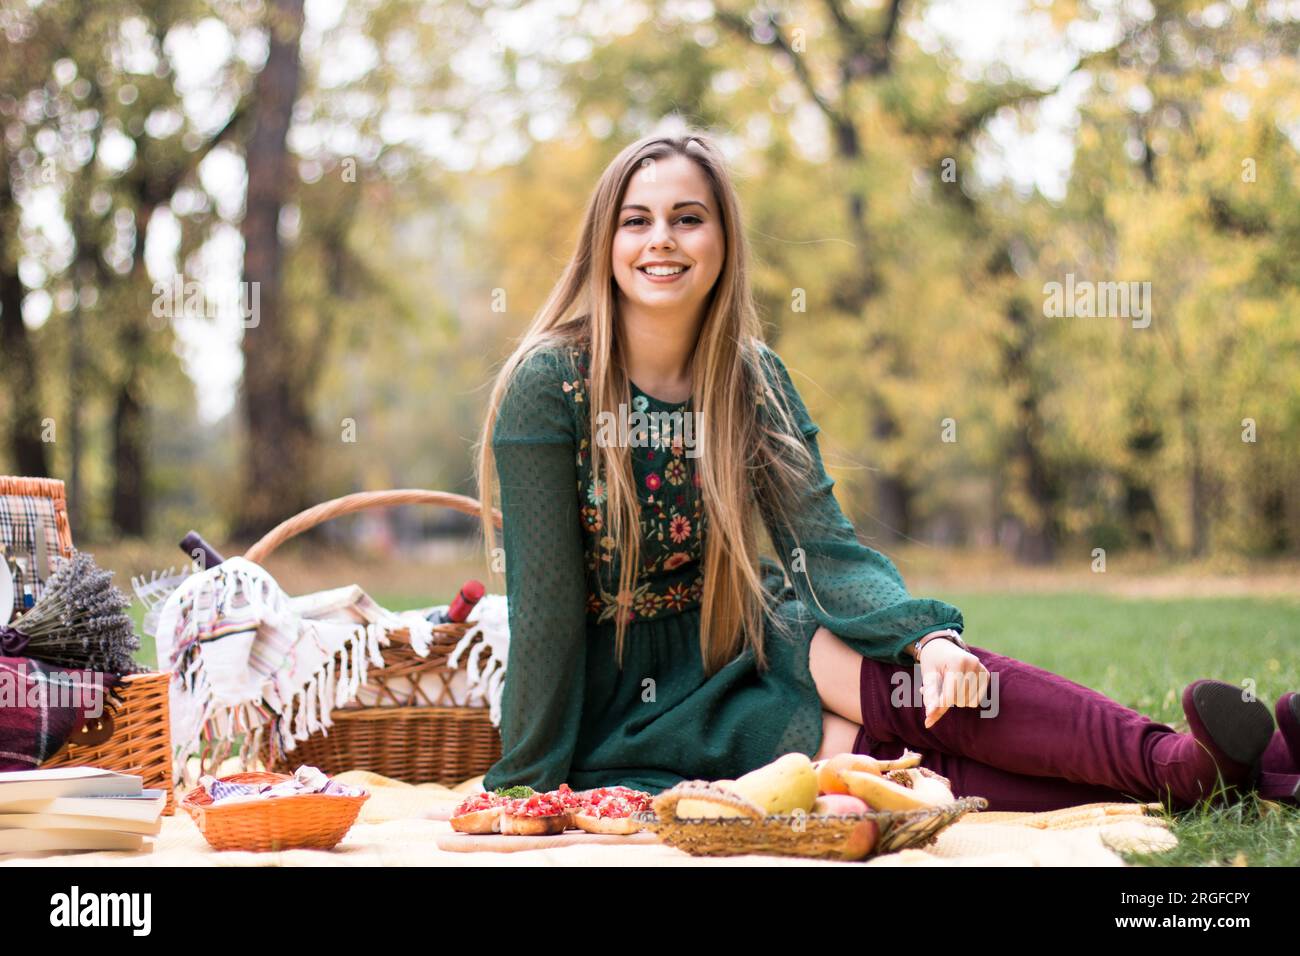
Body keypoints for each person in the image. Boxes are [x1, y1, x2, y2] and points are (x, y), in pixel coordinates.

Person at [473, 130, 1299, 812]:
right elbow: (546, 609)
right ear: (604, 242)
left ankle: (1187, 768)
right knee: (883, 772)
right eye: (636, 220)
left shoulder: (750, 376)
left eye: (687, 218)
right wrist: (524, 783)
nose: (661, 240)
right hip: (629, 697)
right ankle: (1248, 771)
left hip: (744, 629)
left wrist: (927, 636)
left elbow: (821, 544)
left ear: (723, 240)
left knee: (927, 684)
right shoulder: (552, 385)